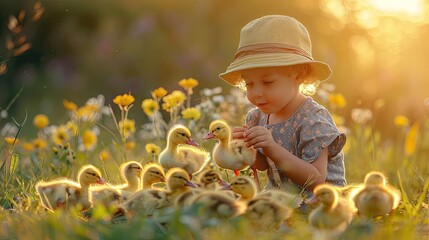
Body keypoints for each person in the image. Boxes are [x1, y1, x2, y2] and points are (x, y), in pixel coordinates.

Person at [220, 15, 346, 194]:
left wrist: (272, 147)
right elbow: (263, 165)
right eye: (249, 84)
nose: (256, 93)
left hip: (320, 204)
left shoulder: (314, 119)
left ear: (299, 74)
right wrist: (245, 148)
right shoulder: (257, 116)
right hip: (280, 201)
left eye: (268, 82)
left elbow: (317, 180)